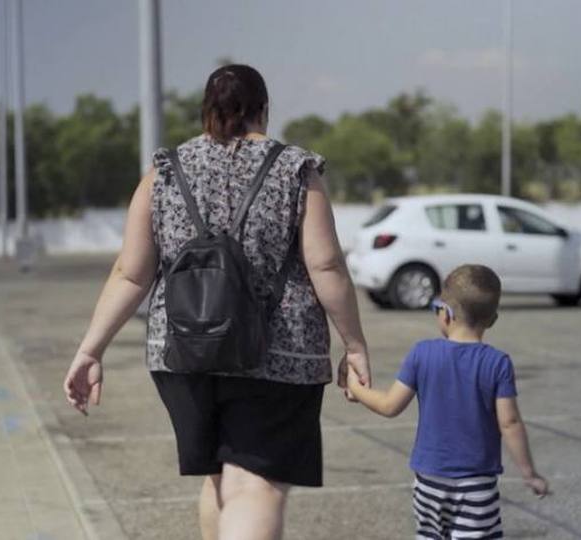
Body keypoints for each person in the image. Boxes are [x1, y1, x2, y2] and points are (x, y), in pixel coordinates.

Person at [63, 64, 370, 540]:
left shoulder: (165, 171)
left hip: (185, 352)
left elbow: (131, 271)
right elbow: (326, 265)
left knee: (222, 478)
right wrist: (353, 344)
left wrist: (90, 349)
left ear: (207, 112)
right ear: (263, 111)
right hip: (279, 355)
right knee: (255, 487)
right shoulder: (295, 168)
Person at [347, 264, 548, 539]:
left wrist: (355, 389)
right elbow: (510, 423)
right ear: (492, 320)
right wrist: (529, 473)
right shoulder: (497, 363)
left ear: (447, 313)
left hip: (429, 480)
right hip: (477, 483)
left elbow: (389, 405)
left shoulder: (422, 353)